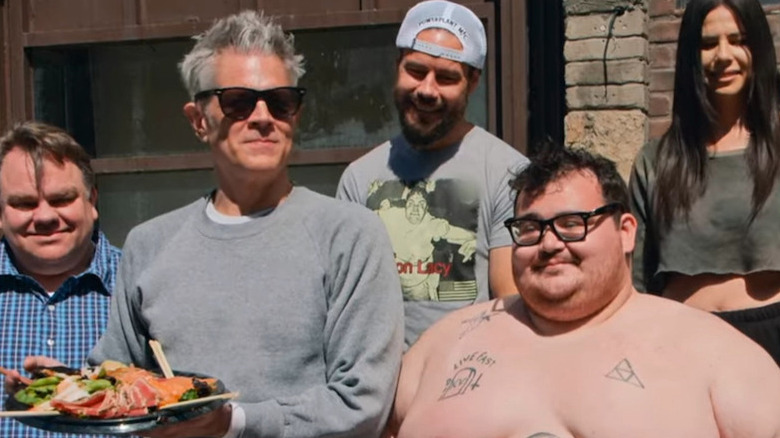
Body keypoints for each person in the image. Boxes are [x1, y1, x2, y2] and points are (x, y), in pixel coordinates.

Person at [10, 10, 404, 438]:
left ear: (297, 114)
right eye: (237, 101)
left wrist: (232, 423)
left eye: (281, 101)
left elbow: (363, 402)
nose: (262, 116)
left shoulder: (350, 236)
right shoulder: (149, 245)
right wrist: (70, 388)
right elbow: (121, 382)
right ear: (199, 120)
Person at [387, 147, 780, 437]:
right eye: (529, 229)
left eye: (572, 223)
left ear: (626, 232)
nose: (549, 243)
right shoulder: (443, 345)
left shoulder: (715, 354)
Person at [336, 0, 528, 347]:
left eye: (446, 78)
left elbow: (511, 304)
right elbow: (346, 304)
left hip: (467, 383)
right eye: (416, 70)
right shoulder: (358, 179)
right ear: (398, 66)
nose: (426, 89)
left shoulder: (507, 173)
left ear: (472, 82)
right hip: (378, 390)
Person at [630, 0, 780, 364]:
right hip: (681, 346)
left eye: (738, 40)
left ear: (757, 47)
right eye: (708, 43)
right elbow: (634, 278)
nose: (723, 56)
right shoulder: (656, 161)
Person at [0, 122, 121, 438]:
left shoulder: (143, 286)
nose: (44, 217)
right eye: (24, 203)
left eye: (61, 199)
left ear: (92, 201)